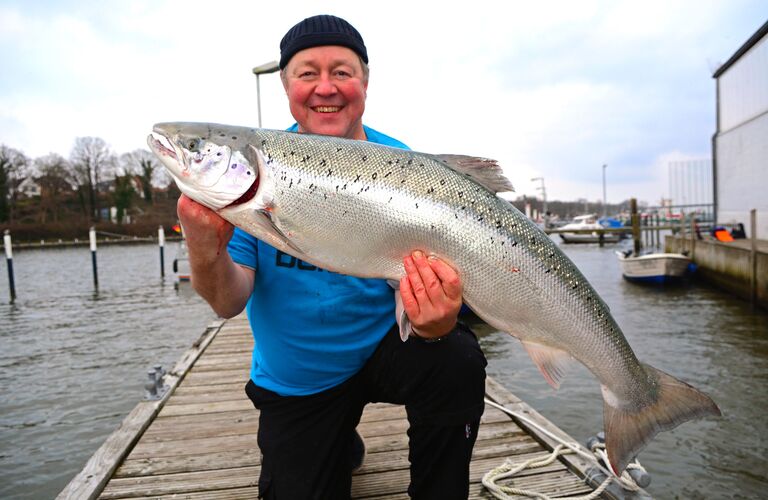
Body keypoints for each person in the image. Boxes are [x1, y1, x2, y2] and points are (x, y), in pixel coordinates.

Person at [177, 14, 487, 499]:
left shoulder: (403, 165)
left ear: (365, 81)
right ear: (286, 85)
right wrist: (203, 246)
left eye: (342, 72)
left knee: (457, 357)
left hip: (384, 351)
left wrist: (434, 319)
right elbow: (226, 302)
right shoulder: (249, 180)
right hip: (299, 380)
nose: (326, 87)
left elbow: (421, 284)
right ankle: (336, 437)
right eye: (308, 73)